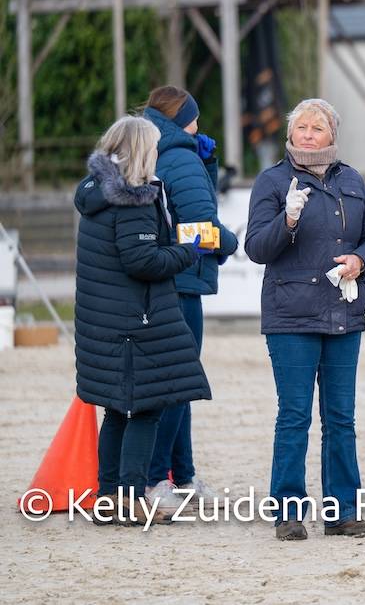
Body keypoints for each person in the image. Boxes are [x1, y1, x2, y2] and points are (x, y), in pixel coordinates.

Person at [245, 98, 365, 540]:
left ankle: (342, 512)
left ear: (332, 135)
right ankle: (288, 513)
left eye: (317, 128)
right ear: (290, 134)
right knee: (294, 416)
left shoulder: (353, 180)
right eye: (301, 127)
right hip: (291, 316)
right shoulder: (272, 181)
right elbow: (256, 248)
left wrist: (360, 261)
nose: (308, 135)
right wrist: (287, 220)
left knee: (341, 418)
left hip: (343, 313)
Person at [73, 116, 211, 525]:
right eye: (152, 148)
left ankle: (108, 495)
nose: (156, 155)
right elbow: (143, 262)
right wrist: (189, 250)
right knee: (147, 409)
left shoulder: (96, 192)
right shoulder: (134, 199)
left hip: (104, 321)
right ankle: (132, 497)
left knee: (117, 411)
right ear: (140, 152)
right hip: (136, 321)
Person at [141, 86, 239, 510]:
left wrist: (208, 164)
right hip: (182, 281)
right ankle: (155, 477)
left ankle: (182, 474)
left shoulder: (150, 146)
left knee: (177, 383)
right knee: (179, 383)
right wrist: (231, 242)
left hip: (159, 278)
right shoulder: (180, 156)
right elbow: (200, 227)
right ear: (187, 119)